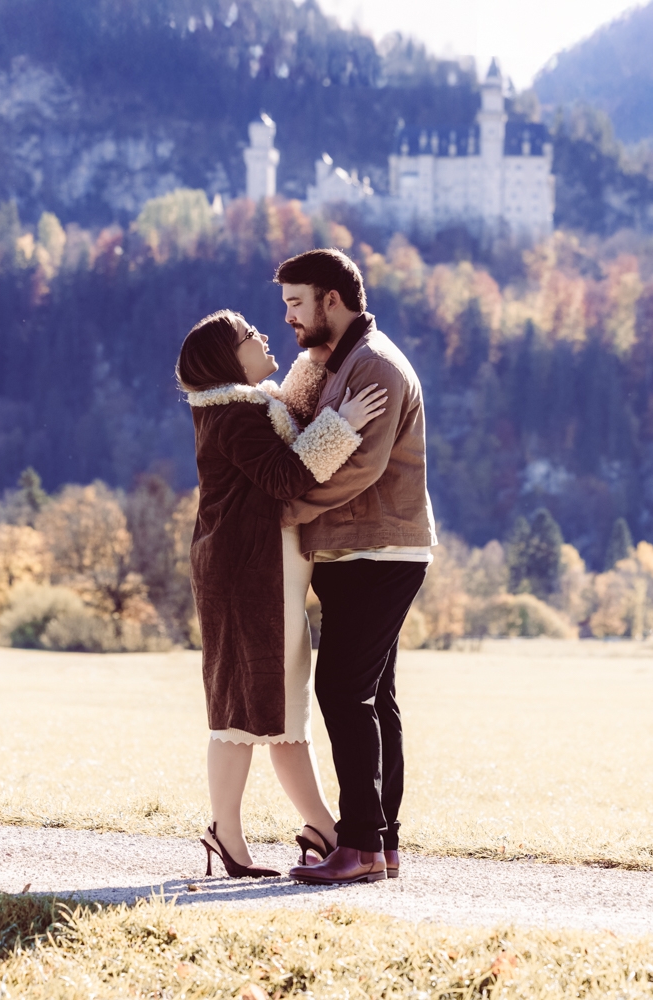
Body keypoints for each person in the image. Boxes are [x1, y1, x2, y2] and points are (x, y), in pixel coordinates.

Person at [176, 308, 387, 878]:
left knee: (285, 708)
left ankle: (321, 826)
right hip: (247, 577)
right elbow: (285, 476)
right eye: (250, 336)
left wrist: (315, 367)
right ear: (227, 359)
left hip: (266, 574)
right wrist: (341, 425)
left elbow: (282, 412)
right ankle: (225, 834)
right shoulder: (233, 416)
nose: (264, 335)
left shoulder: (246, 408)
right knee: (242, 710)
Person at [275, 249, 438, 886]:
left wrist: (284, 508)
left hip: (379, 551)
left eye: (295, 302)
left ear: (332, 301)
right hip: (361, 551)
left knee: (341, 691)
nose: (288, 316)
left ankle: (359, 847)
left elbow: (360, 469)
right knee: (375, 699)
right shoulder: (338, 361)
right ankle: (382, 845)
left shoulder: (374, 367)